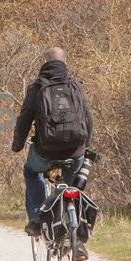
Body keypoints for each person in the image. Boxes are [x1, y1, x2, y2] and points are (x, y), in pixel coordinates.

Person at [10, 47, 95, 244]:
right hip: (75, 150)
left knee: (32, 172)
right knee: (72, 185)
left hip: (45, 150)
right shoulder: (75, 86)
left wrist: (17, 145)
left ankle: (36, 220)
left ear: (44, 63)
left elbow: (24, 120)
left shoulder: (38, 87)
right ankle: (76, 236)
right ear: (64, 63)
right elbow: (88, 120)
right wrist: (86, 145)